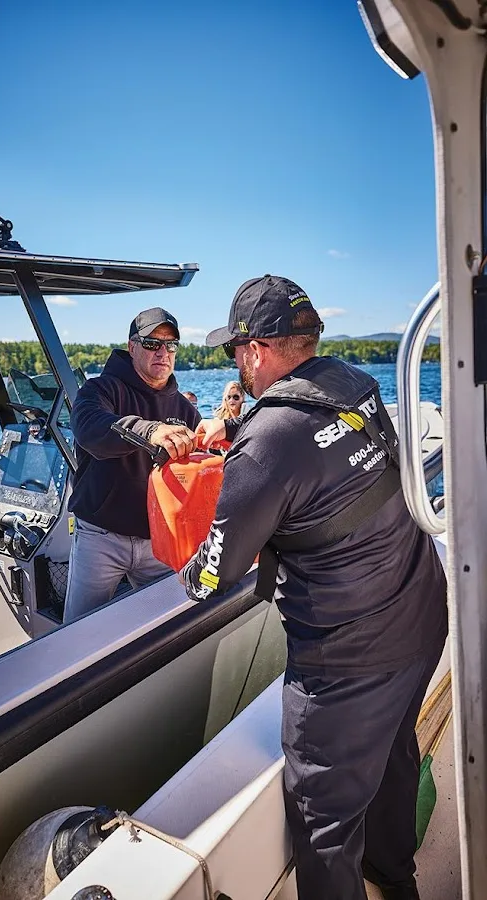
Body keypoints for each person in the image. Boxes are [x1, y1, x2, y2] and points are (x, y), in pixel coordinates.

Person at [182, 275, 448, 900]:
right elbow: (318, 468)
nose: (236, 364)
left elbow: (214, 572)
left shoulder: (267, 440)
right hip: (421, 615)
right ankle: (393, 876)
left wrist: (191, 563)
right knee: (391, 755)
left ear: (255, 349)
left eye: (235, 351)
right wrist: (244, 444)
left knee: (322, 819)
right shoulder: (351, 385)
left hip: (348, 662)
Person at [64, 307, 199, 623]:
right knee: (76, 633)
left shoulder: (184, 409)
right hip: (101, 539)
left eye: (171, 345)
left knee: (171, 626)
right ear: (132, 346)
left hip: (159, 543)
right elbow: (89, 428)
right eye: (152, 343)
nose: (163, 352)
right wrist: (152, 431)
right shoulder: (100, 391)